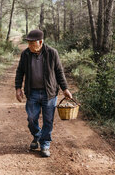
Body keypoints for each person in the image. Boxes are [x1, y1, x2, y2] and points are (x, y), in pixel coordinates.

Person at [15, 29, 72, 157]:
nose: (29, 46)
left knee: (48, 120)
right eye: (28, 43)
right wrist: (18, 88)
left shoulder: (52, 53)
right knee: (31, 118)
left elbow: (59, 72)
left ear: (40, 42)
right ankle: (37, 135)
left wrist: (65, 89)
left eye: (31, 43)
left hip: (49, 93)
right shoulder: (26, 54)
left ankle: (45, 144)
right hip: (32, 92)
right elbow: (20, 72)